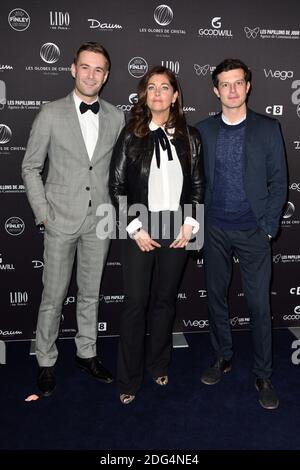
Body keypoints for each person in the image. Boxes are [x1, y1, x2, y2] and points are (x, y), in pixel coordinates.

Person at [22, 42, 125, 396]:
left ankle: (86, 352)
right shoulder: (50, 113)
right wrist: (43, 215)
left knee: (91, 294)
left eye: (99, 69)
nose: (91, 74)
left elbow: (115, 170)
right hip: (60, 220)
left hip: (100, 221)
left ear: (106, 76)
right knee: (53, 296)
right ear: (73, 69)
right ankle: (46, 361)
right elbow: (31, 167)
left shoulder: (116, 116)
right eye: (86, 67)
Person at [109, 65, 204, 404]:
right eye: (152, 87)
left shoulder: (190, 137)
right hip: (139, 226)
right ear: (144, 95)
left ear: (175, 96)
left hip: (177, 226)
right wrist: (134, 227)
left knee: (165, 301)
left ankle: (159, 363)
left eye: (165, 87)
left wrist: (190, 225)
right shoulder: (131, 134)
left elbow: (197, 185)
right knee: (136, 303)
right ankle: (129, 380)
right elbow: (117, 185)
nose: (159, 93)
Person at [195, 58, 287, 410]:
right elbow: (193, 181)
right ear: (215, 90)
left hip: (252, 231)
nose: (232, 90)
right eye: (225, 84)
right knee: (215, 297)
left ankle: (263, 373)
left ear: (248, 86)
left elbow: (279, 181)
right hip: (214, 228)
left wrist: (267, 228)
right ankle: (223, 356)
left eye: (238, 83)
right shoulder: (202, 129)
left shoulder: (268, 128)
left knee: (259, 304)